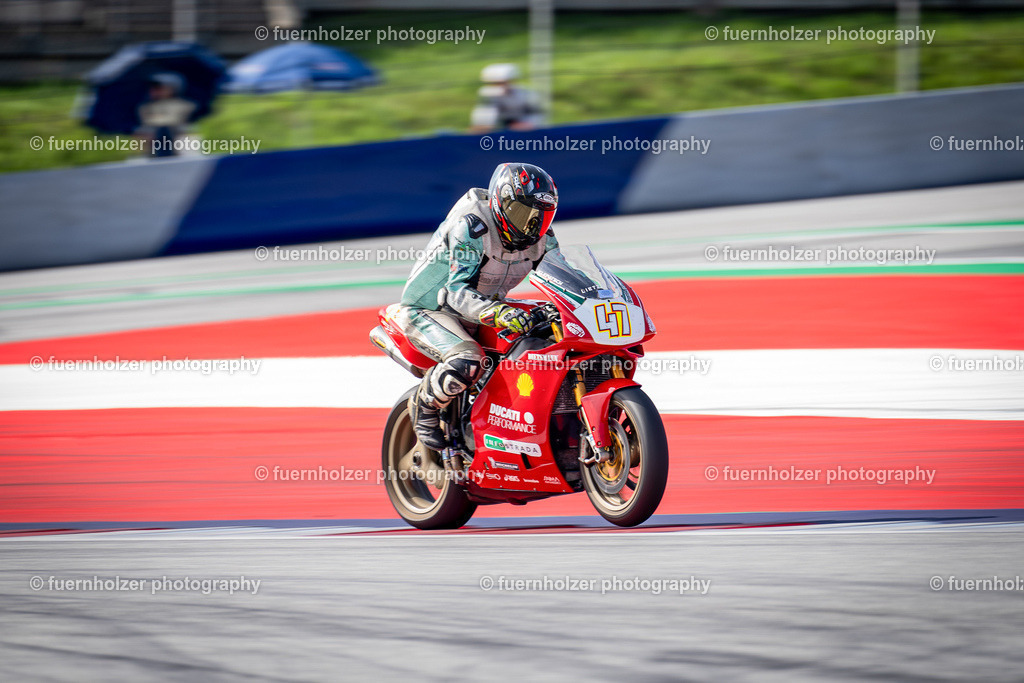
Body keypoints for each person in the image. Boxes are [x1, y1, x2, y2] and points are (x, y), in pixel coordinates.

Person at [395, 162, 560, 451]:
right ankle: (424, 408)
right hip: (432, 310)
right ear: (501, 203)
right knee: (468, 360)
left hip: (483, 307)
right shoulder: (472, 227)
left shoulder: (543, 238)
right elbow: (456, 293)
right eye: (522, 213)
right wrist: (501, 312)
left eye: (540, 217)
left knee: (549, 334)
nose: (530, 225)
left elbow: (562, 276)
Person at [469, 63, 544, 132]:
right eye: (493, 83)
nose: (496, 86)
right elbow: (483, 121)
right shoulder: (487, 94)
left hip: (523, 129)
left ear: (512, 81)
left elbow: (535, 116)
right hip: (499, 129)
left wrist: (525, 125)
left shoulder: (526, 94)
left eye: (500, 83)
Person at [136, 72, 195, 158]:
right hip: (151, 151)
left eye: (158, 87)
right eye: (152, 87)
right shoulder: (145, 108)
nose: (153, 90)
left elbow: (172, 120)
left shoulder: (185, 105)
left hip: (181, 149)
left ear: (171, 88)